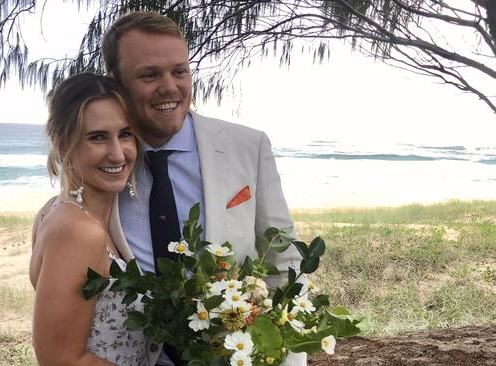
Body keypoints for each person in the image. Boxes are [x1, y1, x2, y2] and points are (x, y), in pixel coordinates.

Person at [101, 11, 308, 366]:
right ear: (117, 84)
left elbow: (284, 262)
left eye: (180, 71)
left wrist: (286, 357)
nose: (170, 87)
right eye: (150, 75)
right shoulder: (103, 162)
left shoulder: (248, 146)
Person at [29, 72, 153, 366]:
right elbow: (60, 360)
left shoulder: (55, 209)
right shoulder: (78, 231)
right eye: (97, 137)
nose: (117, 153)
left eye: (125, 134)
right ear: (62, 145)